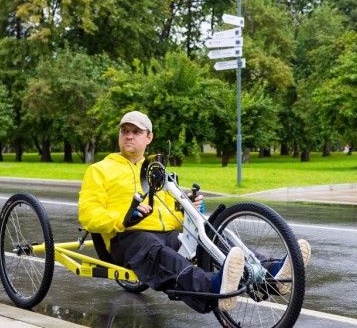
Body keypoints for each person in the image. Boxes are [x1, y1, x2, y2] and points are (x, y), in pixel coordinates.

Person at [78, 110, 311, 313]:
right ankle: (212, 288)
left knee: (208, 235)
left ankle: (271, 275)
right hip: (126, 237)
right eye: (124, 130)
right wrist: (123, 218)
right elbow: (88, 215)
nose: (129, 135)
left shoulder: (155, 170)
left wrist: (188, 206)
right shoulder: (100, 170)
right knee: (155, 249)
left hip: (166, 234)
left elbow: (171, 212)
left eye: (136, 132)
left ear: (148, 137)